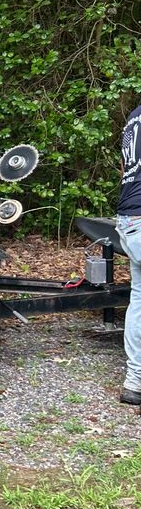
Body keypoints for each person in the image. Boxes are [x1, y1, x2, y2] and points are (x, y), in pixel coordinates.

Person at [119, 101, 141, 405]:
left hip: (129, 217)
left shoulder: (133, 117)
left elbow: (126, 169)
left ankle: (135, 379)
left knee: (139, 297)